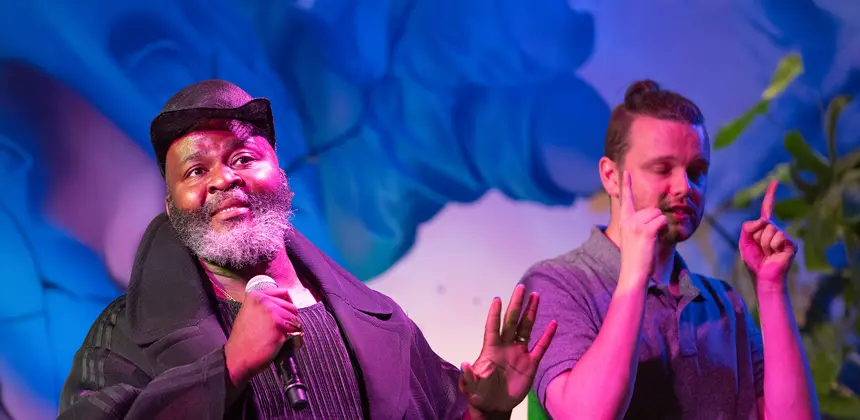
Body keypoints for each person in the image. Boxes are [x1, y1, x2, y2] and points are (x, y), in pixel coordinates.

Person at [58, 80, 557, 419]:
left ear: (279, 173)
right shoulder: (120, 335)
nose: (224, 179)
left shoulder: (381, 321)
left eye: (243, 157)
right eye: (196, 170)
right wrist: (227, 367)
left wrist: (483, 411)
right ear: (170, 207)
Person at [521, 80, 819, 419]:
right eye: (662, 169)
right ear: (611, 176)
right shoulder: (556, 284)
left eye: (696, 172)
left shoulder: (724, 304)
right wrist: (635, 275)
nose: (684, 187)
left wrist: (771, 288)